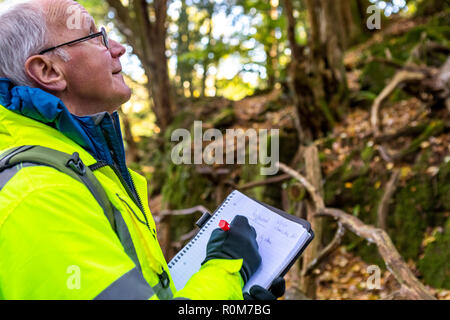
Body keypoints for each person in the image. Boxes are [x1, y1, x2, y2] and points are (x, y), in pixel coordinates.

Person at [0, 0, 284, 300]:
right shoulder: (39, 194)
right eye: (96, 37)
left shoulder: (78, 164)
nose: (118, 48)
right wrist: (227, 269)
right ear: (48, 70)